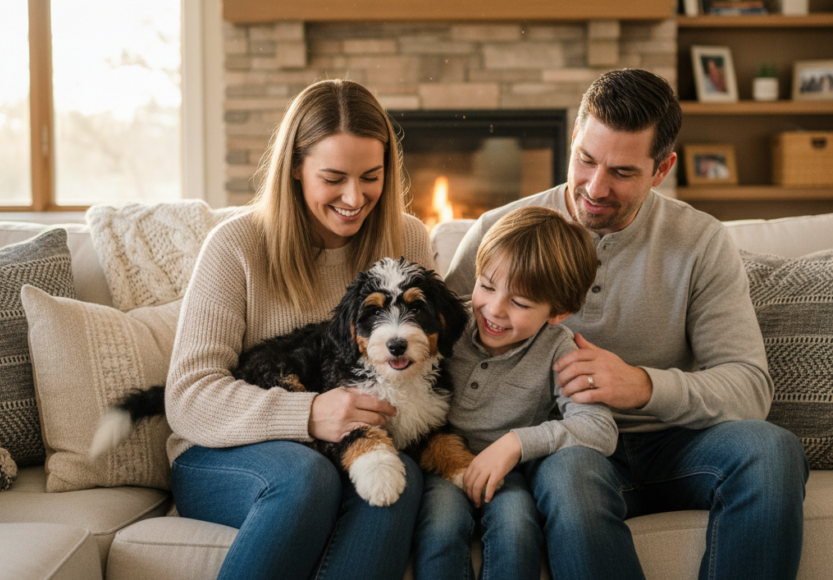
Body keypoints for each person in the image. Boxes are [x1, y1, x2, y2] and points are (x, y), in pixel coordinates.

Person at [444, 68, 809, 580]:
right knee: (570, 475)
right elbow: (438, 342)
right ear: (574, 136)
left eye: (622, 172)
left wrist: (641, 385)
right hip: (573, 446)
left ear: (662, 169)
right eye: (586, 159)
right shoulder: (500, 231)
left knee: (772, 451)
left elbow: (749, 387)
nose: (595, 187)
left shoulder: (700, 242)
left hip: (676, 444)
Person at [164, 79, 435, 580]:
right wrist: (307, 413)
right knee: (307, 476)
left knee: (401, 481)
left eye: (371, 177)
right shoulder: (235, 246)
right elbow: (188, 397)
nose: (354, 197)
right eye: (333, 178)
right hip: (223, 455)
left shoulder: (407, 237)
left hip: (349, 445)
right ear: (295, 167)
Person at [413, 205, 618, 580]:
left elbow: (600, 428)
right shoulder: (447, 321)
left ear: (557, 312)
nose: (494, 309)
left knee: (517, 530)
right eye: (487, 285)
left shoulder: (559, 349)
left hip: (509, 474)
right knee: (440, 527)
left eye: (520, 303)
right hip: (442, 465)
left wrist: (515, 444)